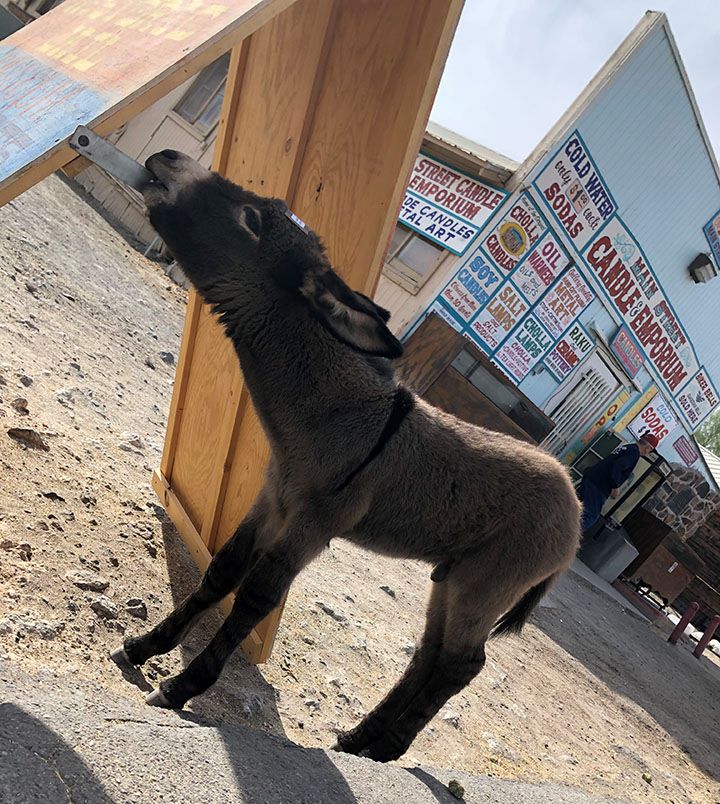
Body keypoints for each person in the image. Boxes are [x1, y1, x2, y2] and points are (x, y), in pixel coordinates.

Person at [577, 433, 659, 532]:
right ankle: (564, 539)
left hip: (592, 478)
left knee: (577, 509)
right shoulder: (634, 453)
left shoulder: (628, 447)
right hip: (599, 486)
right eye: (650, 450)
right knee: (589, 517)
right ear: (648, 448)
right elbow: (618, 466)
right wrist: (615, 487)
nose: (648, 453)